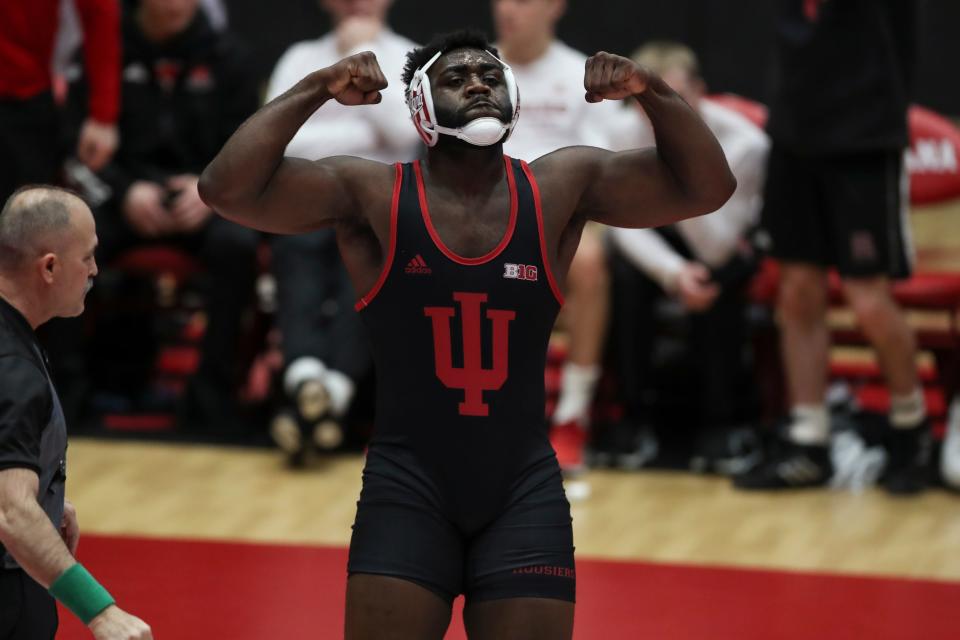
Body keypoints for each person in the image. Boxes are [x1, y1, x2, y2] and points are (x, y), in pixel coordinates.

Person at [199, 29, 734, 638]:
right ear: (422, 107)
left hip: (523, 491)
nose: (479, 83)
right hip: (407, 491)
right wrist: (316, 86)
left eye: (490, 76)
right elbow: (225, 190)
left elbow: (707, 188)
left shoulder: (562, 185)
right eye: (456, 78)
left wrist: (652, 90)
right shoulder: (370, 192)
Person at [734, 0, 929, 494]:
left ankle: (912, 429)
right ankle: (809, 440)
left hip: (864, 140)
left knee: (868, 298)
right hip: (795, 135)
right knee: (797, 291)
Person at [60, 0, 261, 430]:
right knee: (68, 236)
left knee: (238, 244)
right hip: (124, 200)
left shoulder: (231, 57)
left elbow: (252, 149)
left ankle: (213, 397)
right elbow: (73, 147)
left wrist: (209, 190)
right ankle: (68, 393)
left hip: (204, 199)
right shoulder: (102, 52)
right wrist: (124, 191)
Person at [264, 0, 419, 464]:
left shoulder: (414, 57)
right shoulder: (298, 57)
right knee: (297, 258)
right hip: (307, 198)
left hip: (380, 204)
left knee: (368, 267)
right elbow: (279, 137)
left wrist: (363, 54)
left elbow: (407, 132)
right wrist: (364, 139)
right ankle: (323, 394)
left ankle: (313, 398)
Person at [606, 41, 770, 473]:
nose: (659, 112)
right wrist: (672, 272)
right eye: (648, 102)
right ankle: (632, 417)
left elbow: (716, 247)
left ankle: (721, 422)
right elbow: (621, 227)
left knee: (721, 279)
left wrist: (678, 159)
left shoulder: (745, 144)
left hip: (718, 245)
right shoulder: (619, 134)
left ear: (699, 91)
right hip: (655, 241)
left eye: (672, 98)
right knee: (622, 274)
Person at [0, 187, 152, 639]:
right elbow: (10, 512)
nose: (94, 270)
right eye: (87, 257)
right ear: (49, 267)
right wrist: (100, 611)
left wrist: (42, 485)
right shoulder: (14, 369)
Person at [493, 0, 635, 473]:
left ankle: (573, 416)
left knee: (590, 262)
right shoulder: (475, 67)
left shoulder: (580, 75)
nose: (508, 9)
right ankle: (435, 418)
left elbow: (601, 164)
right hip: (481, 212)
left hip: (561, 215)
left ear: (554, 8)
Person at [0, 0, 120, 202]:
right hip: (28, 92)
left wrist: (103, 116)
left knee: (28, 216)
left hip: (27, 98)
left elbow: (100, 16)